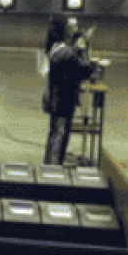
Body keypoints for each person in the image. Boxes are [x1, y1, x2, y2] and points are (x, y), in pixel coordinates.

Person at [44, 32, 95, 165]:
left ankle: (50, 165)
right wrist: (86, 52)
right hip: (63, 102)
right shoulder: (70, 54)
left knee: (55, 134)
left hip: (56, 100)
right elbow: (87, 70)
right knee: (59, 136)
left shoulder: (60, 51)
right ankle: (53, 168)